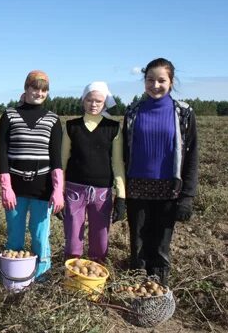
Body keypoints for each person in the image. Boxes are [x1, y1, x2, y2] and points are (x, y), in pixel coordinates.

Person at [123, 58, 198, 285]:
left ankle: (159, 285)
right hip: (136, 185)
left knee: (161, 242)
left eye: (161, 80)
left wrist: (187, 196)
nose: (155, 85)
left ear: (171, 82)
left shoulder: (184, 113)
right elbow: (123, 152)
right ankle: (137, 284)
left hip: (169, 188)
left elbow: (192, 156)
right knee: (138, 240)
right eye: (150, 80)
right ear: (144, 81)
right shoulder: (133, 111)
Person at [0, 70, 64, 279]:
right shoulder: (9, 115)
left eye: (43, 90)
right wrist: (6, 188)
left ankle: (41, 275)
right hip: (15, 186)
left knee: (40, 235)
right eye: (35, 88)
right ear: (26, 88)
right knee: (15, 234)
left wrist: (58, 189)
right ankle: (14, 274)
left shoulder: (52, 120)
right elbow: (1, 153)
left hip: (42, 187)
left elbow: (56, 158)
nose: (39, 93)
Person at [60, 82, 126, 263]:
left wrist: (121, 196)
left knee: (100, 237)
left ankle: (96, 273)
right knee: (73, 238)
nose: (94, 104)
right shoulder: (71, 126)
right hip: (74, 190)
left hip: (102, 193)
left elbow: (117, 163)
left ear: (105, 102)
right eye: (89, 99)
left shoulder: (112, 128)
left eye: (98, 100)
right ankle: (73, 272)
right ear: (83, 100)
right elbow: (63, 161)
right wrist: (58, 191)